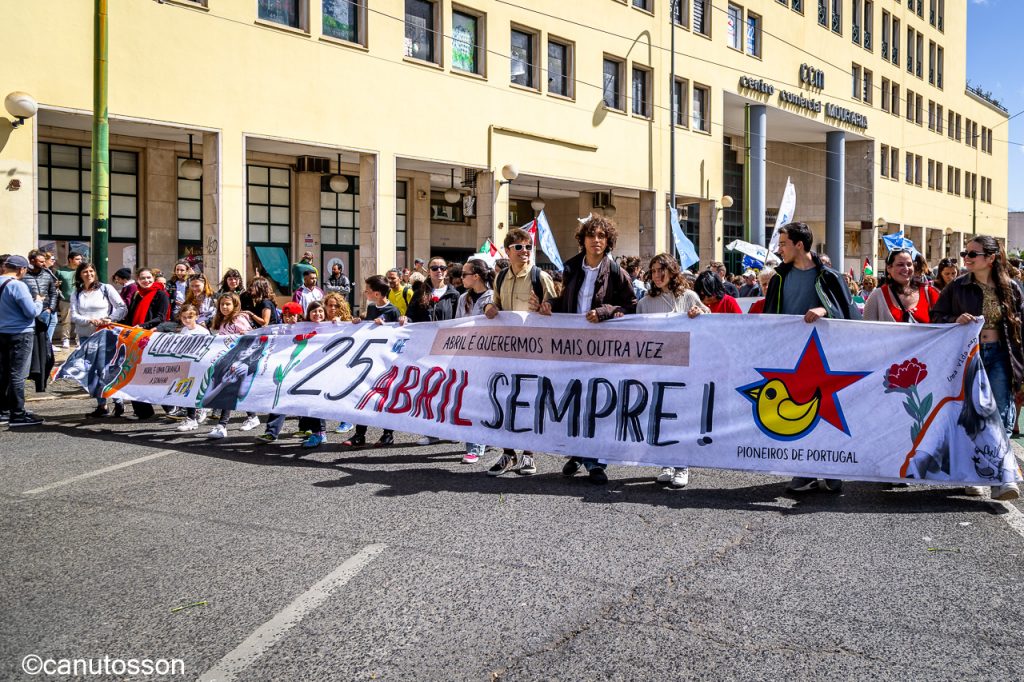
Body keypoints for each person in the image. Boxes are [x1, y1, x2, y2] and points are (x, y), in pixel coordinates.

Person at [535, 214, 637, 484]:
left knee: (596, 402)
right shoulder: (571, 268)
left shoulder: (617, 272)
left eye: (602, 236)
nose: (596, 240)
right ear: (583, 240)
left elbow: (631, 306)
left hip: (601, 350)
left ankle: (596, 461)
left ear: (608, 241)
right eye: (592, 235)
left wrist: (605, 311)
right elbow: (567, 301)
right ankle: (578, 453)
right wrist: (549, 305)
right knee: (574, 400)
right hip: (571, 347)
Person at [763, 221, 860, 494]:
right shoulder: (778, 278)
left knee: (827, 411)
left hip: (826, 359)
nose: (779, 249)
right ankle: (804, 471)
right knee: (797, 410)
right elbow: (769, 317)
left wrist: (825, 309)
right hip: (790, 358)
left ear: (799, 245)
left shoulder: (829, 277)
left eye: (783, 244)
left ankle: (831, 469)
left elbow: (849, 315)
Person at [930, 235, 1023, 501]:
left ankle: (1000, 477)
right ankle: (974, 475)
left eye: (973, 254)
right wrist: (954, 319)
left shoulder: (1012, 288)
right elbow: (935, 317)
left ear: (991, 258)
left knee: (1000, 415)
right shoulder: (957, 287)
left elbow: (1020, 327)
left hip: (1002, 357)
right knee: (973, 415)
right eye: (965, 253)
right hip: (970, 356)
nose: (966, 258)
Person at [481, 227, 557, 476]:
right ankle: (508, 454)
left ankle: (529, 454)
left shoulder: (540, 276)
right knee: (505, 399)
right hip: (506, 351)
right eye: (519, 247)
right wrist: (491, 307)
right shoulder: (500, 277)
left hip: (533, 351)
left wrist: (546, 309)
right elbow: (497, 304)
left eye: (528, 247)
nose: (525, 252)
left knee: (530, 402)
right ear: (508, 251)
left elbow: (556, 311)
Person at [638, 253, 710, 490]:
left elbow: (711, 321)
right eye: (654, 271)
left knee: (680, 415)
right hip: (658, 367)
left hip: (684, 365)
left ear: (672, 271)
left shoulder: (688, 296)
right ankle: (666, 462)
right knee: (661, 415)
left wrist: (700, 314)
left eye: (662, 270)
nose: (657, 276)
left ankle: (682, 465)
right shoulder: (645, 302)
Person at [344, 275, 402, 448]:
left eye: (367, 290)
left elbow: (399, 335)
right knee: (363, 393)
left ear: (377, 294)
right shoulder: (370, 308)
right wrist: (359, 322)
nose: (365, 292)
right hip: (369, 359)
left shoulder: (393, 310)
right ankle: (360, 434)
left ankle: (387, 434)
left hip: (387, 360)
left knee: (385, 396)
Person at [70, 261, 127, 418]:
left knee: (107, 368)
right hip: (85, 335)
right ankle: (102, 405)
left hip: (104, 334)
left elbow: (122, 307)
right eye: (85, 272)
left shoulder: (105, 288)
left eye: (91, 271)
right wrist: (89, 320)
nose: (89, 274)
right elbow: (74, 315)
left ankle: (118, 400)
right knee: (92, 370)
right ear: (80, 275)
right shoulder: (76, 293)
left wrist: (109, 319)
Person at [455, 258, 494, 464]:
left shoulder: (494, 296)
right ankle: (475, 445)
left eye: (464, 274)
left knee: (485, 401)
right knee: (470, 400)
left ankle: (482, 441)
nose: (461, 278)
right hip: (468, 356)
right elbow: (459, 325)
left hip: (488, 356)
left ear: (476, 276)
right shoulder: (463, 299)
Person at [205, 292, 260, 437]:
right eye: (222, 304)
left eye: (228, 304)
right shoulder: (223, 321)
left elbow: (251, 338)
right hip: (228, 360)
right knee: (231, 389)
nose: (224, 307)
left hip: (241, 361)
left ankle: (221, 425)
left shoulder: (238, 319)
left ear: (235, 305)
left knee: (228, 389)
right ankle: (253, 416)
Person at [0, 255, 44, 427]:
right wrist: (39, 302)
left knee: (3, 373)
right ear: (21, 269)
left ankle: (3, 411)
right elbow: (30, 312)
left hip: (1, 332)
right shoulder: (18, 286)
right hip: (20, 333)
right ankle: (17, 414)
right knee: (18, 374)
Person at [257, 301, 305, 445]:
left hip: (300, 369)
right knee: (278, 400)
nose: (289, 319)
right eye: (286, 315)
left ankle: (307, 428)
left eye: (293, 315)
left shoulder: (305, 329)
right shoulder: (278, 330)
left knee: (303, 400)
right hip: (283, 370)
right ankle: (271, 432)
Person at [863, 250, 939, 323]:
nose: (906, 269)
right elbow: (867, 331)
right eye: (900, 264)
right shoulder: (877, 296)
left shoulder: (929, 293)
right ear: (889, 268)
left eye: (909, 264)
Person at [171, 304, 213, 433]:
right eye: (184, 317)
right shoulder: (184, 330)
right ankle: (192, 416)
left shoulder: (202, 331)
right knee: (187, 391)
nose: (187, 320)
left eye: (190, 317)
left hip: (199, 366)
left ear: (197, 316)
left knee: (193, 391)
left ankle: (192, 417)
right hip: (187, 365)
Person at [24, 249, 59, 353]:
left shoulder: (47, 275)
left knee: (44, 339)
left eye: (44, 261)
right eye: (41, 262)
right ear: (32, 261)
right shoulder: (24, 276)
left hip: (45, 311)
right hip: (30, 312)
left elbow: (53, 293)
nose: (44, 264)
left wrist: (50, 308)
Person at [55, 251, 83, 349]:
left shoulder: (82, 271)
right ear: (70, 260)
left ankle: (79, 339)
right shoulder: (60, 271)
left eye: (80, 259)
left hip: (80, 300)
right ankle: (65, 339)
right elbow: (56, 285)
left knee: (79, 321)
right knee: (65, 321)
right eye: (77, 259)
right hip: (65, 300)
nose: (80, 261)